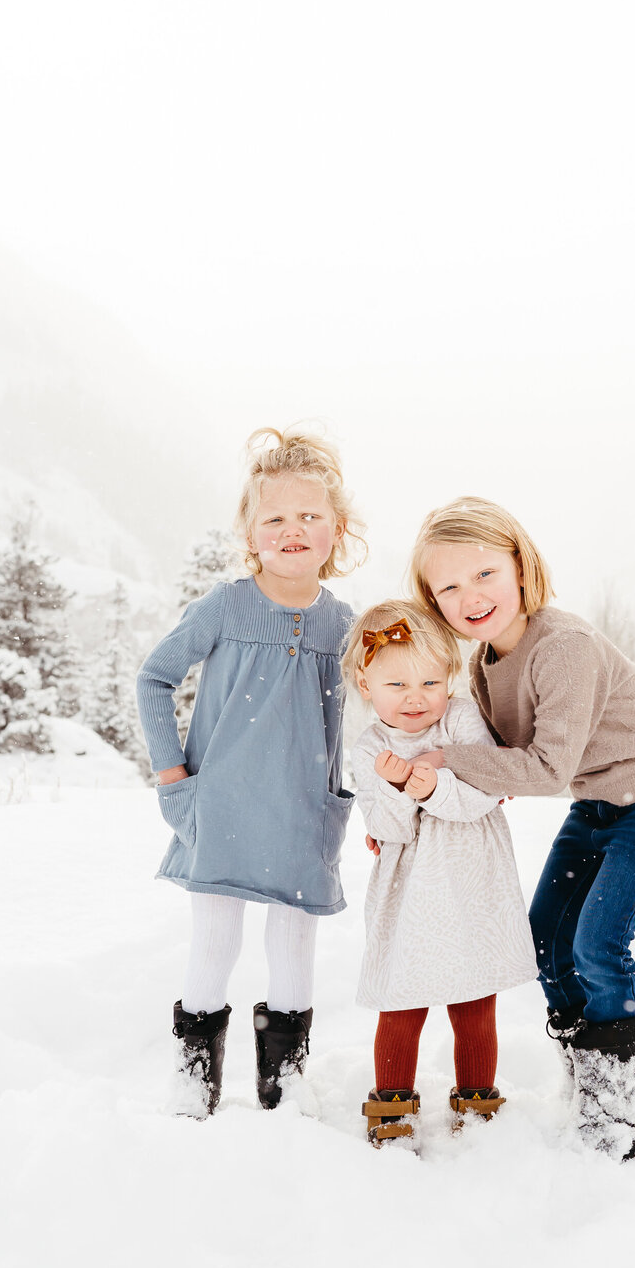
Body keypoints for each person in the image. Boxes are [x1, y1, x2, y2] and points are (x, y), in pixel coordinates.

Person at [409, 499, 635, 1160]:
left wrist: (452, 760)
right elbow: (501, 761)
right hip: (599, 800)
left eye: (484, 573)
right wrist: (408, 809)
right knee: (546, 942)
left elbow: (539, 767)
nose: (470, 596)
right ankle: (586, 1079)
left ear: (519, 563)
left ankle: (619, 1117)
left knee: (599, 944)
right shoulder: (486, 662)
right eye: (448, 587)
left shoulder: (563, 648)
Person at [136, 428, 364, 1116]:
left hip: (301, 813)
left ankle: (284, 1087)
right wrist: (174, 779)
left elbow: (387, 708)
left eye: (310, 517)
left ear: (337, 530)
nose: (293, 530)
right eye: (275, 518)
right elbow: (154, 679)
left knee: (293, 944)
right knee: (216, 941)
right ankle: (192, 1083)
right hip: (224, 808)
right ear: (249, 530)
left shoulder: (343, 625)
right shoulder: (226, 608)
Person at [345, 599, 537, 1147]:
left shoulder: (459, 718)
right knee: (401, 997)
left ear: (450, 677)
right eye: (398, 684)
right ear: (366, 682)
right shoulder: (370, 748)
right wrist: (402, 791)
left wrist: (431, 784)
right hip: (410, 887)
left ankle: (477, 1099)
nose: (416, 698)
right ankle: (392, 1103)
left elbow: (481, 795)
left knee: (474, 996)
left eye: (431, 681)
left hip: (470, 877)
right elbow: (387, 829)